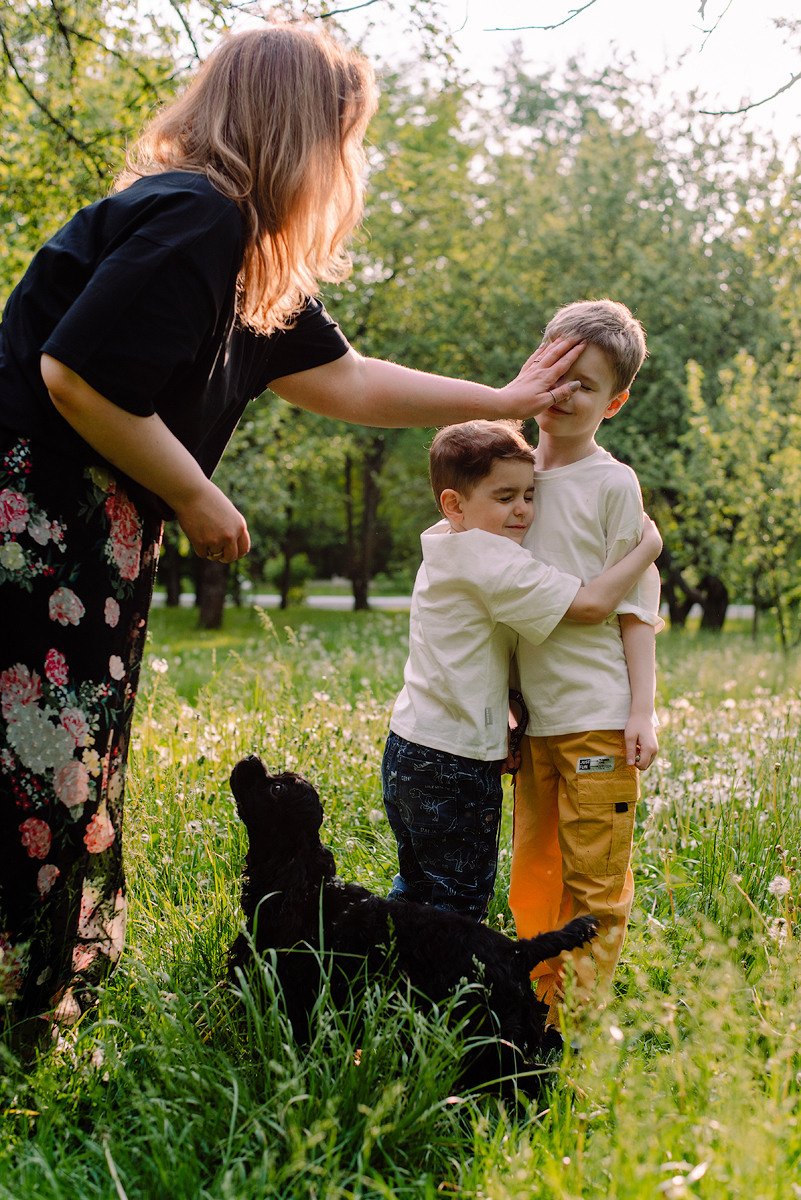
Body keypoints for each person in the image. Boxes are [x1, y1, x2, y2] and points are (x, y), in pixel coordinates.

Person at [0, 21, 593, 1036]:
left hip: (80, 538)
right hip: (39, 528)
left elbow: (348, 378)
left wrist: (498, 393)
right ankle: (28, 1013)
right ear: (299, 133)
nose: (348, 164)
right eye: (346, 137)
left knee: (63, 772)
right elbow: (77, 373)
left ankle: (40, 1015)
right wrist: (196, 493)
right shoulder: (200, 218)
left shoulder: (236, 253)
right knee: (36, 775)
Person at [382, 419, 662, 921]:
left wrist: (510, 701)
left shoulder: (444, 541)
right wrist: (648, 549)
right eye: (506, 496)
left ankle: (383, 986)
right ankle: (447, 999)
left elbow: (487, 645)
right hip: (455, 762)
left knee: (416, 890)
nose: (523, 510)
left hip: (408, 747)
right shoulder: (490, 558)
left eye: (530, 495)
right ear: (454, 504)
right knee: (459, 905)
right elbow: (593, 604)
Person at [508, 299, 663, 1035]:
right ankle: (531, 1009)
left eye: (587, 384)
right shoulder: (507, 470)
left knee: (593, 883)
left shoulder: (612, 484)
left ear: (616, 401)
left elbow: (633, 604)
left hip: (597, 718)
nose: (564, 393)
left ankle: (570, 1028)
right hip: (533, 722)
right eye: (557, 372)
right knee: (535, 878)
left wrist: (642, 708)